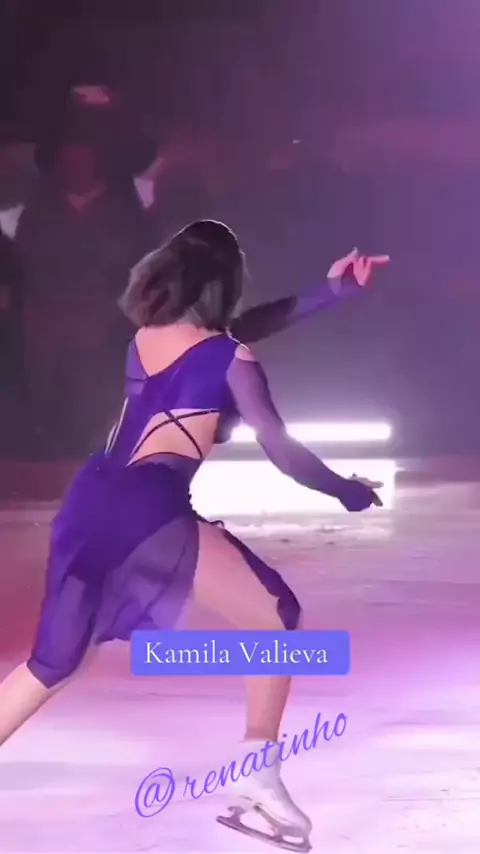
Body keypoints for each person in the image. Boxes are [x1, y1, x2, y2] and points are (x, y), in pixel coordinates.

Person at [0, 221, 387, 851]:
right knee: (275, 618)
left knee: (52, 662)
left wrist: (330, 294)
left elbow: (235, 334)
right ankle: (258, 776)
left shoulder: (144, 340)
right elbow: (282, 450)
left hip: (87, 503)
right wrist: (347, 491)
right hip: (147, 509)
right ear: (224, 285)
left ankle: (259, 777)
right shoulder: (231, 359)